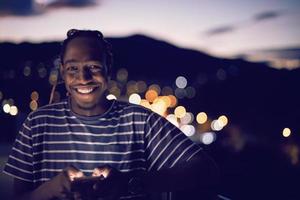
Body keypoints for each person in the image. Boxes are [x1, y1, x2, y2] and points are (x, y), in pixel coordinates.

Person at [3, 29, 219, 200]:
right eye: (72, 69)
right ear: (62, 73)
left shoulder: (139, 121)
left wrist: (129, 183)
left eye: (93, 67)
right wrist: (50, 189)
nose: (83, 78)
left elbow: (205, 169)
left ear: (109, 69)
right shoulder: (37, 123)